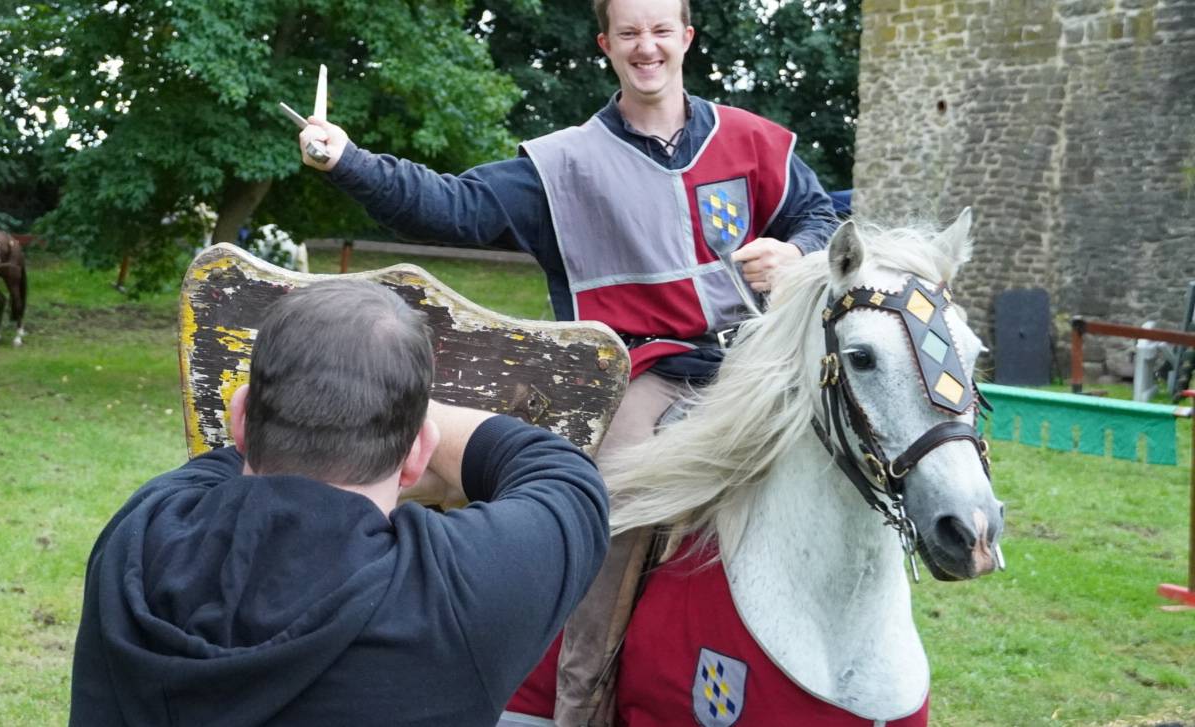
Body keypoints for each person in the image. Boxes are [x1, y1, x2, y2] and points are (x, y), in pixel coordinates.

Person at [293, 0, 838, 720]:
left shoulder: (753, 140)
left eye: (661, 31)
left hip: (755, 366)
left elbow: (822, 214)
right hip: (641, 372)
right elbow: (454, 207)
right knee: (610, 507)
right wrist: (348, 161)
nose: (648, 48)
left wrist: (797, 250)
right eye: (631, 34)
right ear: (605, 44)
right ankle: (579, 701)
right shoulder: (564, 164)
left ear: (687, 38)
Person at [68, 280, 610, 726]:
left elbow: (224, 460)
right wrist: (406, 421)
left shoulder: (137, 535)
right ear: (419, 451)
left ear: (240, 418)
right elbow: (567, 479)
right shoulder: (459, 594)